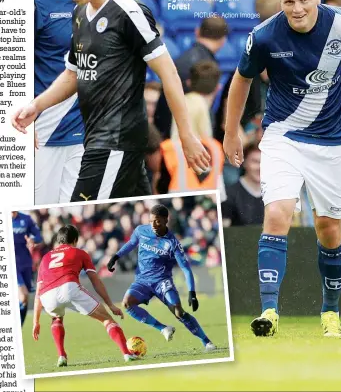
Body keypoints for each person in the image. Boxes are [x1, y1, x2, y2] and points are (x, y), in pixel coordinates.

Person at [223, 0, 341, 338]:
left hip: (334, 142)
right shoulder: (264, 36)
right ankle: (269, 311)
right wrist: (230, 133)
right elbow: (241, 81)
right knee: (278, 212)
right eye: (289, 2)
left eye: (304, 0)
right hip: (283, 136)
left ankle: (330, 313)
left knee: (329, 229)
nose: (297, 9)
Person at [13, 0, 210, 201]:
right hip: (76, 136)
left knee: (82, 213)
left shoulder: (128, 11)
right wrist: (35, 107)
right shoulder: (80, 11)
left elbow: (169, 73)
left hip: (112, 140)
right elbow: (73, 72)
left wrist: (186, 135)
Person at [34, 0, 117, 205]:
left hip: (90, 135)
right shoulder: (36, 2)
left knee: (79, 220)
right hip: (44, 133)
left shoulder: (112, 3)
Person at [106, 204, 216, 351]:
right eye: (151, 221)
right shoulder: (141, 231)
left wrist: (192, 293)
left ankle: (207, 342)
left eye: (157, 221)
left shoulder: (173, 243)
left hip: (162, 282)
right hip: (142, 281)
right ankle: (163, 328)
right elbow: (131, 243)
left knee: (179, 312)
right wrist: (116, 256)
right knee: (127, 303)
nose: (153, 225)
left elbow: (186, 268)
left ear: (165, 220)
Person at [32, 225, 136, 367]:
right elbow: (95, 280)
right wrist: (110, 305)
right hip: (68, 287)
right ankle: (127, 354)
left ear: (58, 240)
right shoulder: (80, 253)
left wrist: (35, 322)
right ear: (75, 240)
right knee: (107, 320)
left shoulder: (45, 258)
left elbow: (38, 292)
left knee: (56, 318)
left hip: (47, 296)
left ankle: (61, 356)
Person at [154, 17, 229, 140]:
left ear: (197, 31)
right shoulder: (210, 68)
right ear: (223, 41)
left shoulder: (178, 61)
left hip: (167, 132)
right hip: (193, 137)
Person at [222, 143, 264, 227]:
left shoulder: (276, 194)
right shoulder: (229, 194)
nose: (260, 167)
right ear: (244, 163)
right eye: (255, 161)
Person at [12, 212, 43, 326]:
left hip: (25, 263)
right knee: (23, 295)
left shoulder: (26, 219)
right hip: (12, 264)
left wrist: (33, 240)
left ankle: (19, 327)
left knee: (25, 299)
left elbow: (39, 236)